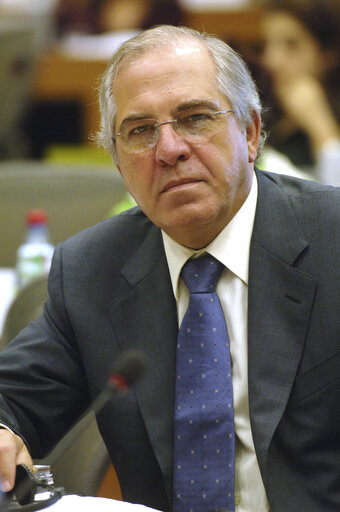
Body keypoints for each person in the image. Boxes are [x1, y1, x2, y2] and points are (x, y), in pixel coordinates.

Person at [0, 24, 340, 512]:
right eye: (139, 131)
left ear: (249, 132)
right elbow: (14, 395)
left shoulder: (332, 239)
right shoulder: (91, 270)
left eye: (195, 118)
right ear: (118, 162)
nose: (169, 150)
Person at [258, 0, 340, 174]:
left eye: (292, 45)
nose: (271, 60)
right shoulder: (262, 107)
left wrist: (320, 125)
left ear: (328, 54)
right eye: (267, 43)